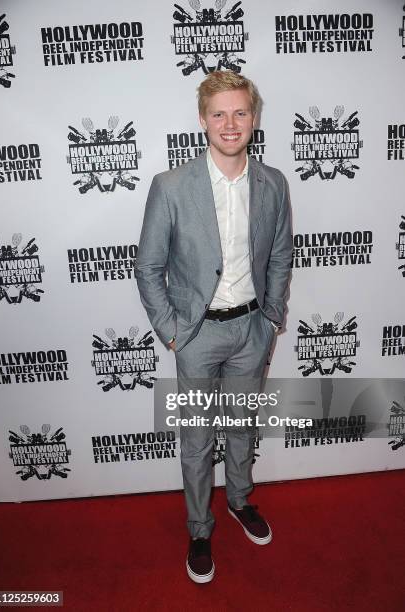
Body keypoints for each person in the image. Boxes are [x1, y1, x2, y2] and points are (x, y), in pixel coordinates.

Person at [135, 71, 292, 583]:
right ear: (202, 120)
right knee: (198, 439)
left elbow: (281, 257)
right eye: (219, 113)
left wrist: (271, 318)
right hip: (196, 337)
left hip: (252, 331)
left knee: (243, 426)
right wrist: (172, 331)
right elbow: (148, 266)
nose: (231, 123)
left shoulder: (274, 183)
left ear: (254, 118)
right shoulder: (171, 186)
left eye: (240, 112)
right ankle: (200, 528)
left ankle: (240, 500)